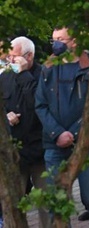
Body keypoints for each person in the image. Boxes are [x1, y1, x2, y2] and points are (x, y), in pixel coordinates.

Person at [35, 27, 89, 228]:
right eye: (53, 39)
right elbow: (40, 104)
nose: (56, 44)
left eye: (60, 39)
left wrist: (75, 132)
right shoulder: (48, 67)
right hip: (54, 144)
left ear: (75, 42)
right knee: (57, 201)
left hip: (86, 144)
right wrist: (58, 133)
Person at [3, 37, 50, 228]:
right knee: (14, 203)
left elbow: (39, 105)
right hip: (15, 152)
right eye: (9, 57)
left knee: (46, 203)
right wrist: (6, 115)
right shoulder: (5, 77)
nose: (11, 61)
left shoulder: (43, 75)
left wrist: (23, 75)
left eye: (14, 57)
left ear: (29, 56)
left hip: (40, 149)